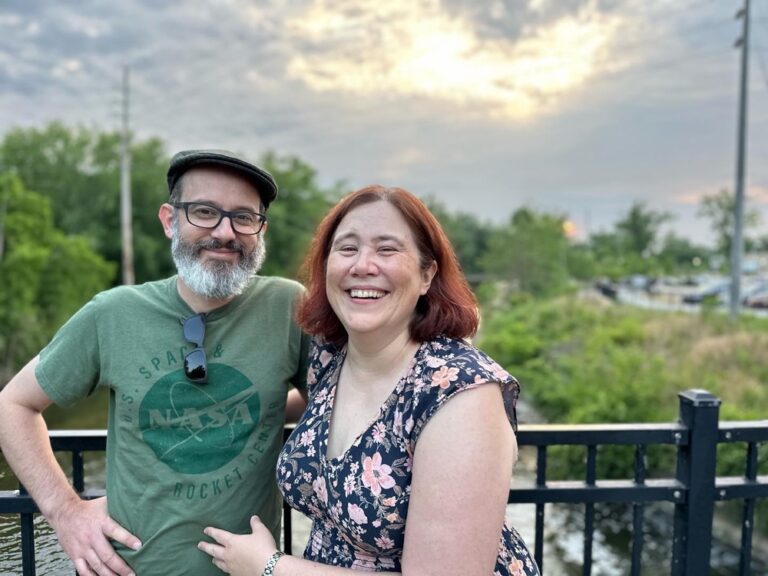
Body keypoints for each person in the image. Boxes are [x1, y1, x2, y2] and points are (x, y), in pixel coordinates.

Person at [197, 185, 540, 575]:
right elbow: (277, 405)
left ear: (427, 274)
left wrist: (270, 567)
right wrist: (118, 495)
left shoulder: (460, 393)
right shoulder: (329, 360)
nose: (363, 265)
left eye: (387, 249)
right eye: (347, 248)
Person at [0, 149, 310, 576]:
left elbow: (343, 402)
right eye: (204, 212)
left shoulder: (289, 308)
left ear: (261, 230)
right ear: (170, 220)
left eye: (244, 217)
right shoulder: (112, 314)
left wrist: (275, 405)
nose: (224, 232)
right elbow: (11, 406)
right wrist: (64, 510)